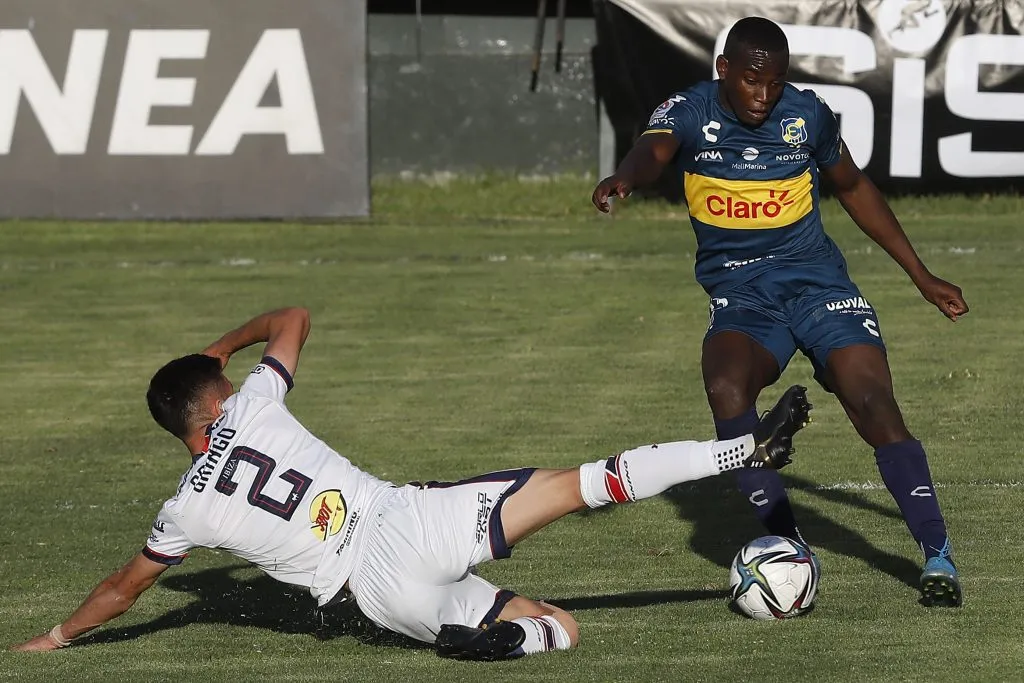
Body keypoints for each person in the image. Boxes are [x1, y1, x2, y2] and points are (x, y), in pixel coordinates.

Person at [12, 307, 812, 660]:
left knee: (559, 625)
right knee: (585, 482)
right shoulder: (251, 403)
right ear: (217, 394)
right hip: (407, 518)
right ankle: (737, 452)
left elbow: (124, 588)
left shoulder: (182, 510)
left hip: (374, 593)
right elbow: (293, 315)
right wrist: (222, 345)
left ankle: (508, 636)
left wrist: (57, 636)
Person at [591, 16, 967, 607]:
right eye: (751, 81)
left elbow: (854, 187)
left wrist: (921, 276)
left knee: (873, 404)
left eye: (775, 83)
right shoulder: (688, 112)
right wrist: (625, 178)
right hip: (743, 296)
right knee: (724, 386)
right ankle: (789, 547)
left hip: (819, 287)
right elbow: (653, 149)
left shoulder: (806, 115)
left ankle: (937, 554)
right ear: (724, 71)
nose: (764, 96)